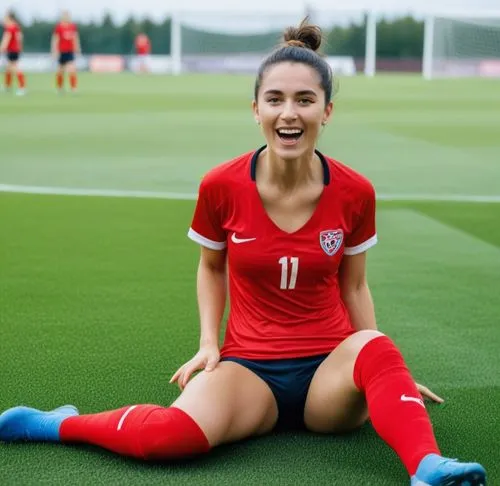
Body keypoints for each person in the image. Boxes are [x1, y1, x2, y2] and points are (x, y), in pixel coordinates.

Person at [0, 19, 487, 486]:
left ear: (327, 111)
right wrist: (209, 342)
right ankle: (57, 424)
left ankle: (427, 468)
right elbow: (211, 267)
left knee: (378, 348)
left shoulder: (356, 191)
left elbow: (354, 285)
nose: (289, 113)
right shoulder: (220, 186)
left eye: (305, 100)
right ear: (256, 109)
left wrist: (383, 374)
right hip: (250, 370)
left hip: (329, 379)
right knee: (168, 437)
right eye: (274, 99)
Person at [51, 10, 81, 93]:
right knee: (60, 71)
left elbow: (75, 38)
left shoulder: (72, 26)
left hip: (70, 51)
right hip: (61, 51)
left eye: (67, 15)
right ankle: (60, 88)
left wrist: (77, 48)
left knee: (72, 69)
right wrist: (54, 50)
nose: (66, 17)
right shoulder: (59, 27)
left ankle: (73, 88)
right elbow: (55, 39)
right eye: (64, 16)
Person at [0, 10, 26, 95]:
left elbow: (6, 40)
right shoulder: (16, 26)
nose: (3, 19)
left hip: (11, 50)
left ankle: (22, 87)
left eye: (5, 17)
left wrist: (2, 48)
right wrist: (20, 47)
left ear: (9, 18)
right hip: (16, 50)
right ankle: (7, 86)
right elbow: (20, 38)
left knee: (15, 68)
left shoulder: (10, 28)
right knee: (8, 68)